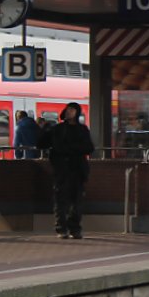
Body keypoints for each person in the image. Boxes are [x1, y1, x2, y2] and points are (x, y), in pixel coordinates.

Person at [37, 102, 94, 239]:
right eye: (68, 109)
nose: (69, 112)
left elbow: (89, 147)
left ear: (77, 112)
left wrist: (68, 149)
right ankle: (62, 228)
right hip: (62, 170)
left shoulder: (82, 130)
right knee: (61, 200)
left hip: (77, 169)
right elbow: (41, 144)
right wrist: (45, 132)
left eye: (72, 110)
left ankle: (74, 228)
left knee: (77, 201)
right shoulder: (57, 129)